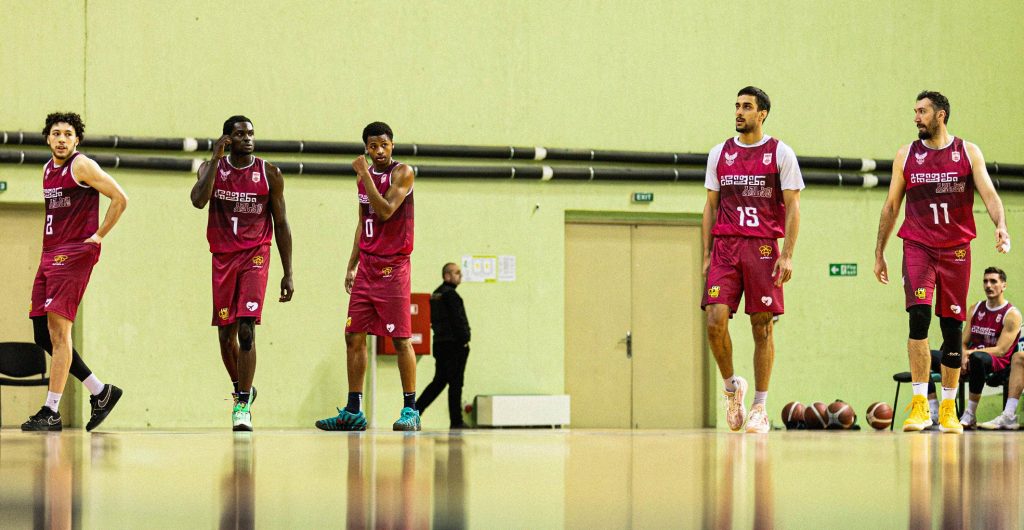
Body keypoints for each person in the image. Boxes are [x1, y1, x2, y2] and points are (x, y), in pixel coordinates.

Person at [874, 91, 1010, 433]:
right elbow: (891, 206)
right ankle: (921, 404)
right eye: (915, 111)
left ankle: (948, 408)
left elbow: (990, 194)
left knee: (951, 327)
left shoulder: (968, 151)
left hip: (956, 250)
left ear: (941, 115)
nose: (916, 117)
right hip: (918, 246)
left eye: (922, 111)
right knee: (918, 317)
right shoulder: (906, 154)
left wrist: (1001, 225)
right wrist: (879, 252)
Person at [701, 86, 804, 434]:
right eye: (737, 106)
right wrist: (706, 254)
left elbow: (793, 207)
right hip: (726, 247)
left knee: (762, 326)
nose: (739, 112)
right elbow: (710, 206)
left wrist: (787, 254)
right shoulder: (719, 153)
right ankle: (732, 388)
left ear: (762, 114)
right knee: (714, 320)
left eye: (747, 107)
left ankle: (760, 406)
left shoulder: (780, 153)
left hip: (762, 247)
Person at [22, 112, 128, 431]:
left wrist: (98, 236)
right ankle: (100, 391)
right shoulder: (46, 169)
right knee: (42, 333)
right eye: (56, 133)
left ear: (77, 139)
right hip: (50, 253)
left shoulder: (81, 165)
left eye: (68, 134)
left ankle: (51, 410)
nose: (62, 139)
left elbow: (120, 198)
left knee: (60, 332)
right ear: (48, 138)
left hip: (72, 253)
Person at [190, 116, 294, 432]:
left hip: (255, 255)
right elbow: (198, 201)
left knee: (247, 330)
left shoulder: (270, 173)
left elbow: (281, 223)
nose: (247, 138)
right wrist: (214, 159)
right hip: (223, 258)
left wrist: (288, 272)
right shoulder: (211, 169)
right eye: (239, 134)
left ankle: (242, 405)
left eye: (250, 133)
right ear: (227, 139)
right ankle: (242, 388)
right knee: (226, 336)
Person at [316, 122, 419, 432]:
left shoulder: (403, 173)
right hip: (368, 267)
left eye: (384, 145)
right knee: (353, 335)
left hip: (393, 267)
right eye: (373, 146)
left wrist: (364, 174)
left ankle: (411, 409)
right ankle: (353, 411)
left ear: (392, 145)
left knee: (400, 339)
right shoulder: (364, 178)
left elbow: (385, 210)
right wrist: (352, 264)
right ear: (366, 148)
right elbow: (365, 221)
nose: (379, 151)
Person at [962, 268, 1022, 429]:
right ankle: (933, 411)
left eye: (993, 281)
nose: (988, 285)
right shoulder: (975, 308)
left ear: (1004, 286)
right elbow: (963, 341)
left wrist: (970, 352)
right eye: (985, 281)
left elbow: (1001, 350)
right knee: (929, 356)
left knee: (977, 359)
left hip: (996, 361)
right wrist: (962, 354)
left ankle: (970, 413)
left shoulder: (1011, 314)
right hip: (972, 356)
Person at [416, 262, 471, 429]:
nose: (460, 275)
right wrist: (465, 339)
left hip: (440, 343)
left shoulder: (436, 294)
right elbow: (457, 320)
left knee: (439, 381)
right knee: (456, 383)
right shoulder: (451, 295)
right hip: (454, 345)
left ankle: (415, 411)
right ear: (447, 275)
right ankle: (456, 421)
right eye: (456, 272)